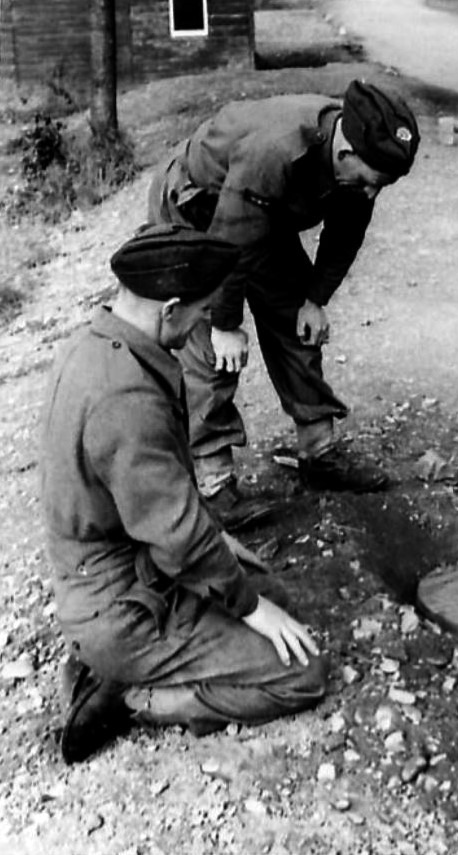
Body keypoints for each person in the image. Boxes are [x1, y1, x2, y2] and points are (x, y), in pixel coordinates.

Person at [41, 225, 327, 764]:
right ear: (169, 309)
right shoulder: (125, 402)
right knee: (302, 672)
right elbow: (178, 539)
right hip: (122, 606)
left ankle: (118, 666)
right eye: (199, 312)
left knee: (276, 598)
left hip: (120, 568)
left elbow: (165, 517)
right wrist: (246, 606)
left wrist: (249, 592)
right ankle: (132, 695)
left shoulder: (99, 345)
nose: (203, 323)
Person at [147, 79, 420, 528]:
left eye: (382, 186)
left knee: (295, 319)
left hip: (259, 213)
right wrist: (224, 324)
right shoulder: (275, 150)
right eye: (372, 183)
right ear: (345, 154)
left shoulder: (362, 168)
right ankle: (214, 484)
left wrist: (315, 299)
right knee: (209, 349)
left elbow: (346, 233)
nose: (373, 194)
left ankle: (319, 453)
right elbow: (229, 243)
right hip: (197, 208)